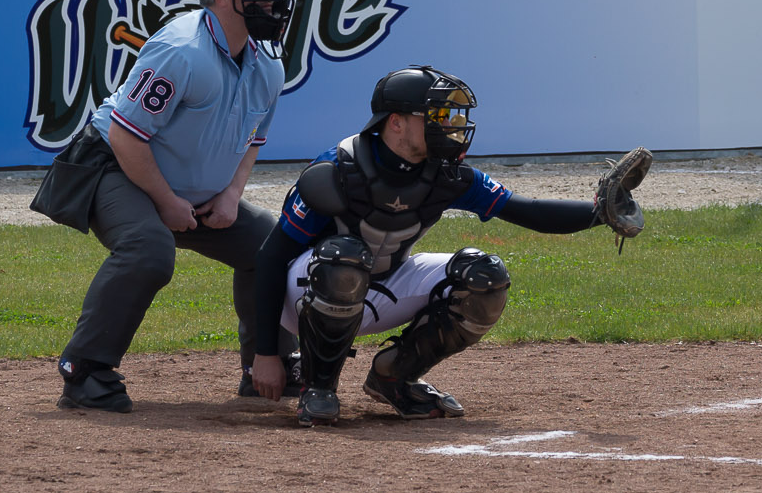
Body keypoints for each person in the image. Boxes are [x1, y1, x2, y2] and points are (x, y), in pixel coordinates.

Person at [248, 65, 651, 427]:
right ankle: (317, 386)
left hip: (381, 285)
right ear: (396, 123)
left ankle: (394, 376)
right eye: (437, 116)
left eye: (451, 115)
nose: (451, 125)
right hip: (307, 293)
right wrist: (266, 354)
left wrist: (599, 213)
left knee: (485, 277)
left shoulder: (447, 175)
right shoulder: (336, 170)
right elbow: (270, 258)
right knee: (345, 258)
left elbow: (526, 211)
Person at [54, 0, 300, 413]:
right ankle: (85, 370)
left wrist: (230, 195)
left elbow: (252, 140)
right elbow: (127, 137)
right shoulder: (181, 50)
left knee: (275, 245)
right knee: (149, 249)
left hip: (187, 187)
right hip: (112, 167)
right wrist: (166, 202)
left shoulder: (267, 60)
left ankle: (268, 365)